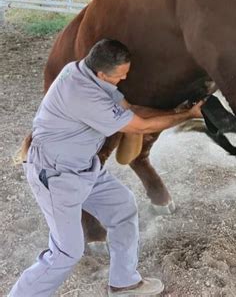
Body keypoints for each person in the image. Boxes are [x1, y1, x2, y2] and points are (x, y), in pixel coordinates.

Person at [9, 39, 204, 297]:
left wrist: (173, 110)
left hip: (84, 165)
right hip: (57, 174)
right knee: (67, 251)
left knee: (123, 207)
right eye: (120, 77)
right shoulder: (84, 96)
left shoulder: (81, 70)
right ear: (102, 73)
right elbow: (139, 126)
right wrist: (188, 116)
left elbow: (129, 109)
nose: (123, 80)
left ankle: (124, 283)